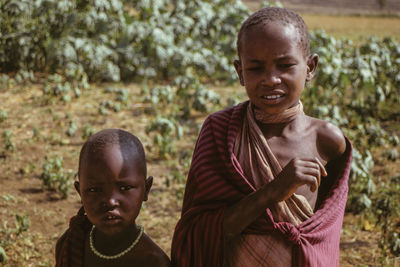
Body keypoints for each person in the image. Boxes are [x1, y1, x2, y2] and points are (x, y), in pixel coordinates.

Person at [171, 7, 352, 267]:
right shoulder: (222, 134)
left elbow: (322, 237)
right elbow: (200, 231)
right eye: (255, 68)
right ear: (240, 72)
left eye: (285, 65)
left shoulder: (328, 141)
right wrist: (274, 190)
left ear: (310, 67)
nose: (270, 79)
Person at [55, 129, 171, 267]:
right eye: (94, 190)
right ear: (80, 193)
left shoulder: (153, 261)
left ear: (146, 189)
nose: (110, 201)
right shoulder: (72, 243)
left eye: (125, 188)